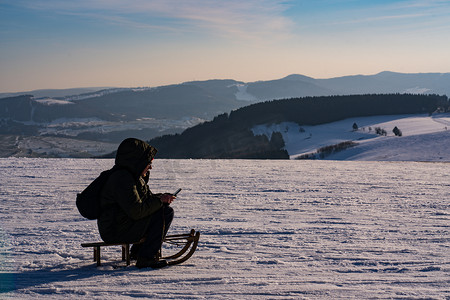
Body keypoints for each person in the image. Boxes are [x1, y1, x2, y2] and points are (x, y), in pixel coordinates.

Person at [97, 138, 175, 269]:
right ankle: (145, 257)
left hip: (121, 224)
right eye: (149, 162)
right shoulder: (123, 179)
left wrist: (161, 198)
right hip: (116, 230)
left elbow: (142, 201)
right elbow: (136, 210)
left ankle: (138, 252)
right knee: (165, 213)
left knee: (161, 209)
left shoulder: (132, 176)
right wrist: (159, 201)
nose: (150, 166)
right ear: (138, 162)